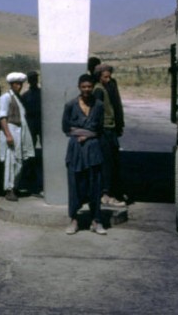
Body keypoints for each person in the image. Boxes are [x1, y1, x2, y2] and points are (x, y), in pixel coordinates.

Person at [62, 73, 107, 235]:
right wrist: (85, 133)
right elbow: (66, 128)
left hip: (93, 150)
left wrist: (87, 135)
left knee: (95, 185)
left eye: (89, 87)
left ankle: (96, 221)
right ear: (79, 87)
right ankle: (74, 220)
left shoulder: (99, 105)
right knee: (75, 184)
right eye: (84, 87)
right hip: (76, 149)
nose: (87, 89)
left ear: (93, 87)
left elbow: (100, 129)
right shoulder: (70, 105)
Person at [0, 72, 35, 202]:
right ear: (11, 84)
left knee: (19, 161)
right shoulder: (5, 98)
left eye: (20, 84)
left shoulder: (18, 98)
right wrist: (8, 135)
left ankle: (15, 186)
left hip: (20, 131)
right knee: (11, 161)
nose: (19, 86)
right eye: (16, 84)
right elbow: (2, 117)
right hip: (11, 130)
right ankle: (9, 189)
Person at [93, 64, 126, 207]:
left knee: (112, 162)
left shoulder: (107, 87)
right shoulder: (99, 90)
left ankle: (110, 192)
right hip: (105, 130)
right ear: (99, 77)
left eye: (109, 76)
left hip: (110, 129)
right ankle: (106, 194)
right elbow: (97, 112)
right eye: (105, 77)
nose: (109, 79)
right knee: (107, 163)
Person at [20, 70, 43, 195]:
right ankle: (30, 173)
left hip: (41, 123)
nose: (34, 80)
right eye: (32, 78)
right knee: (30, 150)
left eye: (35, 78)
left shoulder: (42, 94)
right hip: (31, 124)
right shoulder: (25, 96)